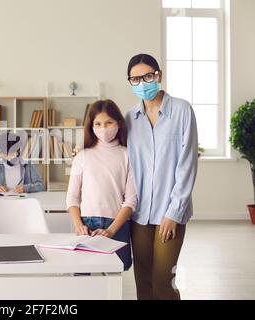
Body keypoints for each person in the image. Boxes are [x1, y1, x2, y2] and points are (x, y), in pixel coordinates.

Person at [125, 53, 198, 300]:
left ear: (159, 76)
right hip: (139, 214)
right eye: (136, 79)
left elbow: (187, 164)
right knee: (142, 281)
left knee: (162, 281)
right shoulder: (129, 119)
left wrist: (173, 213)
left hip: (170, 212)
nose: (143, 83)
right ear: (130, 82)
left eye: (147, 76)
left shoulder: (182, 110)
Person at [66, 100, 137, 270]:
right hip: (86, 224)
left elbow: (131, 200)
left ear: (118, 124)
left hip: (117, 224)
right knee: (83, 271)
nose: (103, 128)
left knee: (115, 271)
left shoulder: (127, 155)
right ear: (91, 126)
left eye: (108, 123)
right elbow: (72, 197)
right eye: (97, 124)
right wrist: (79, 225)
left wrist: (111, 231)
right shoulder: (83, 156)